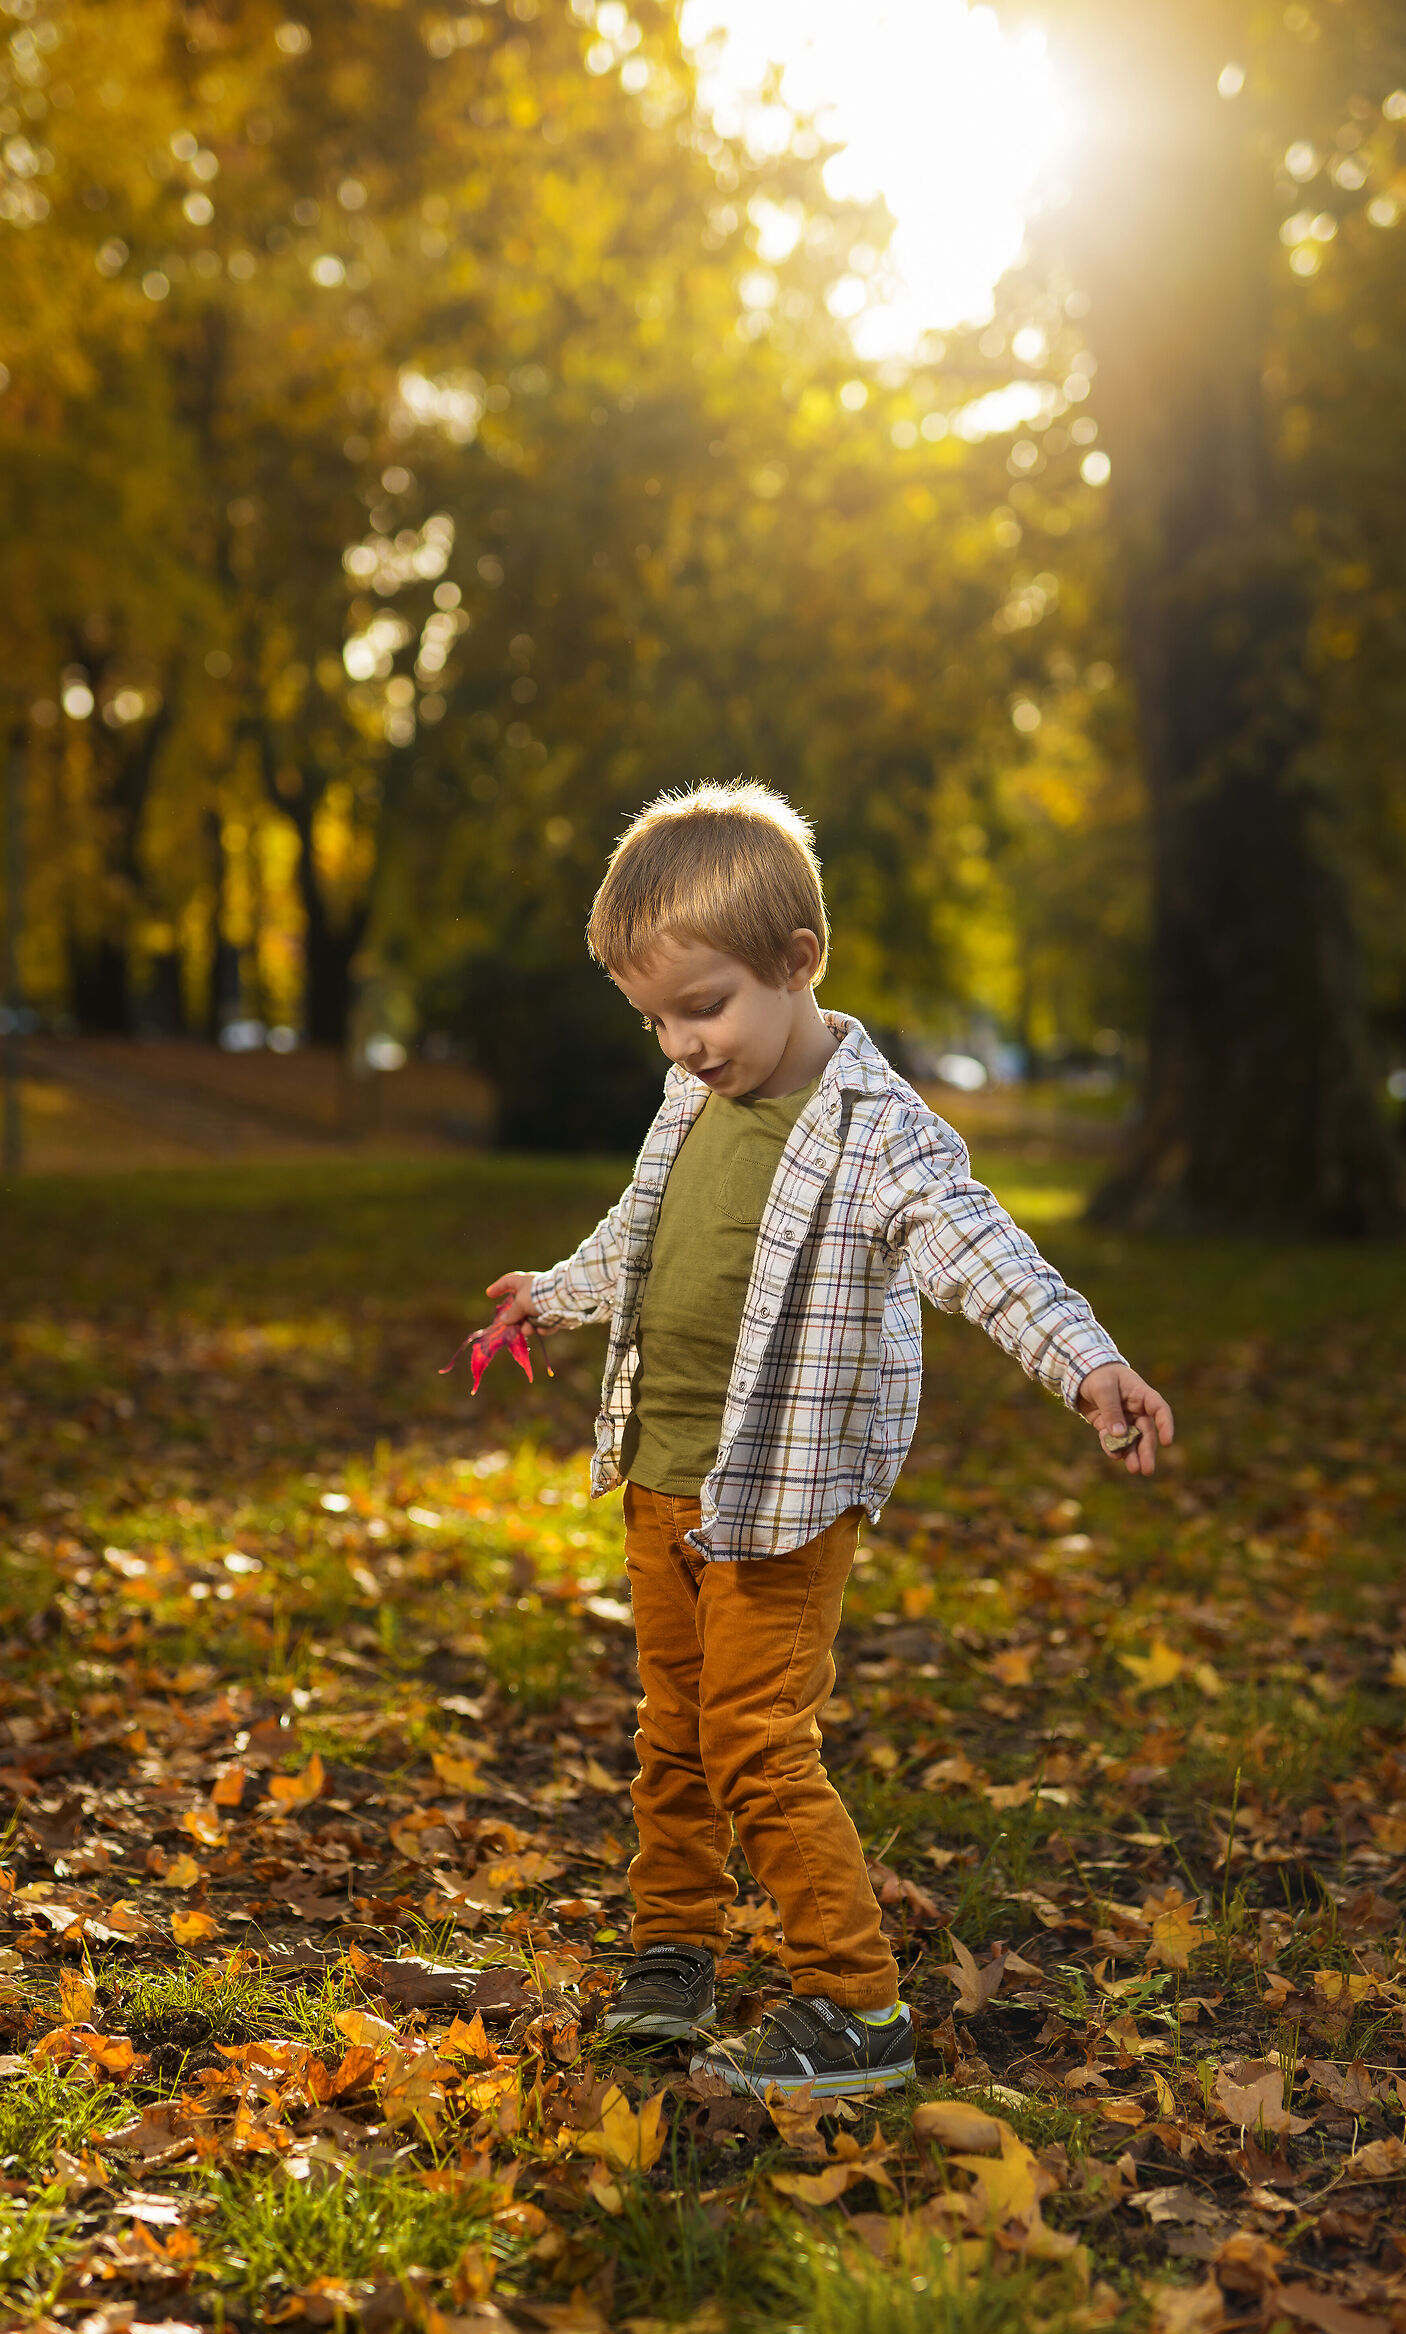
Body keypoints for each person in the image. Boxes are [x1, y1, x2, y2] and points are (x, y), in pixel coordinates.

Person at [484, 783, 1173, 2095]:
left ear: (799, 961)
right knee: (674, 1732)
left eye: (703, 1007)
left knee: (755, 1739)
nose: (682, 1044)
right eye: (654, 1020)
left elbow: (981, 1249)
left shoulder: (877, 1129)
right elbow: (641, 1234)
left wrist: (1086, 1360)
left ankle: (855, 2008)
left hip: (783, 1500)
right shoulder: (690, 1100)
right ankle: (674, 1952)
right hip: (662, 1478)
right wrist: (556, 1295)